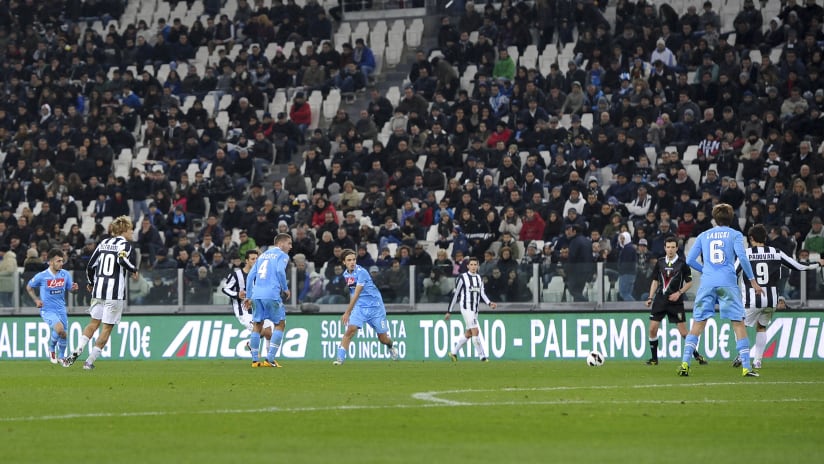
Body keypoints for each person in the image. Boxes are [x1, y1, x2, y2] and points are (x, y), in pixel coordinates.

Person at [682, 204, 763, 377]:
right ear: (731, 218)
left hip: (707, 283)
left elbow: (689, 259)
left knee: (698, 324)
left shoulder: (704, 235)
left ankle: (685, 363)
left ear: (714, 218)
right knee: (738, 323)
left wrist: (705, 270)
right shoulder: (735, 234)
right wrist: (753, 281)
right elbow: (742, 257)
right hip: (727, 281)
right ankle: (747, 367)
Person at [731, 224, 824, 369]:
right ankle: (758, 361)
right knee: (761, 327)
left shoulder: (745, 254)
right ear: (765, 238)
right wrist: (817, 263)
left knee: (739, 326)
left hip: (752, 299)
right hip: (771, 300)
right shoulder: (776, 252)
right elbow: (797, 266)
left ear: (751, 238)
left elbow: (732, 273)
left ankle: (742, 355)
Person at [63, 216, 138, 370]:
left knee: (93, 323)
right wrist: (134, 269)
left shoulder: (104, 243)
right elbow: (122, 260)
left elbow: (90, 266)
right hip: (114, 292)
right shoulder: (125, 245)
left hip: (99, 290)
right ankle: (89, 362)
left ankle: (77, 349)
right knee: (107, 327)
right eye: (131, 229)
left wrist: (91, 283)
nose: (132, 233)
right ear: (124, 230)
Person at [645, 236, 708, 366]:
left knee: (684, 333)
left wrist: (679, 293)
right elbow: (655, 281)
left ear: (677, 248)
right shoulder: (660, 262)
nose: (670, 250)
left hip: (675, 302)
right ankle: (654, 359)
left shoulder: (682, 263)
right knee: (652, 329)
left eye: (673, 247)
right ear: (664, 248)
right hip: (660, 300)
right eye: (668, 247)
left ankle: (697, 355)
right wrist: (650, 297)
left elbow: (689, 283)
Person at [333, 248, 399, 365]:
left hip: (376, 308)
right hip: (360, 308)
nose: (352, 262)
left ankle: (391, 345)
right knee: (350, 330)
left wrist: (347, 312)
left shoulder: (362, 272)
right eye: (349, 260)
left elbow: (357, 293)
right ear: (344, 262)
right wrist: (353, 310)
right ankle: (339, 359)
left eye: (354, 259)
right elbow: (353, 292)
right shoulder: (346, 274)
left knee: (383, 338)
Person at [244, 233, 292, 368]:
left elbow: (250, 276)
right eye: (289, 243)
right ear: (281, 243)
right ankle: (270, 359)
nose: (290, 246)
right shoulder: (282, 255)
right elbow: (280, 271)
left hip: (257, 295)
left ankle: (254, 361)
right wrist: (285, 288)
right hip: (271, 294)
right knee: (280, 324)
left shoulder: (262, 255)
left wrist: (248, 296)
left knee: (257, 325)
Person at [26, 249, 78, 363]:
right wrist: (36, 300)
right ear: (50, 262)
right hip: (47, 309)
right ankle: (51, 349)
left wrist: (74, 289)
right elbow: (29, 287)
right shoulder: (42, 276)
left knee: (64, 334)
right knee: (59, 330)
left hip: (61, 309)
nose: (61, 263)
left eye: (62, 261)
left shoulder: (65, 274)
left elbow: (70, 289)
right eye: (58, 261)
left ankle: (61, 356)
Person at [444, 256, 497, 362]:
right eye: (471, 265)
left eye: (475, 265)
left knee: (468, 333)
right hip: (466, 308)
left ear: (478, 266)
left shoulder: (478, 278)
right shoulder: (462, 278)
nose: (473, 267)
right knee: (475, 331)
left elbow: (482, 293)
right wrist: (449, 311)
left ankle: (453, 353)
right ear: (468, 266)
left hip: (475, 309)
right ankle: (482, 357)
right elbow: (456, 295)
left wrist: (489, 303)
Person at [222, 249, 274, 356]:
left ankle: (269, 360)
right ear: (246, 260)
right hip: (244, 310)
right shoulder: (236, 275)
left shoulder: (260, 275)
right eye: (253, 259)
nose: (255, 261)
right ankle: (251, 344)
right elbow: (225, 289)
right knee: (260, 331)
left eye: (257, 259)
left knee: (269, 333)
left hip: (259, 307)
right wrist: (237, 294)